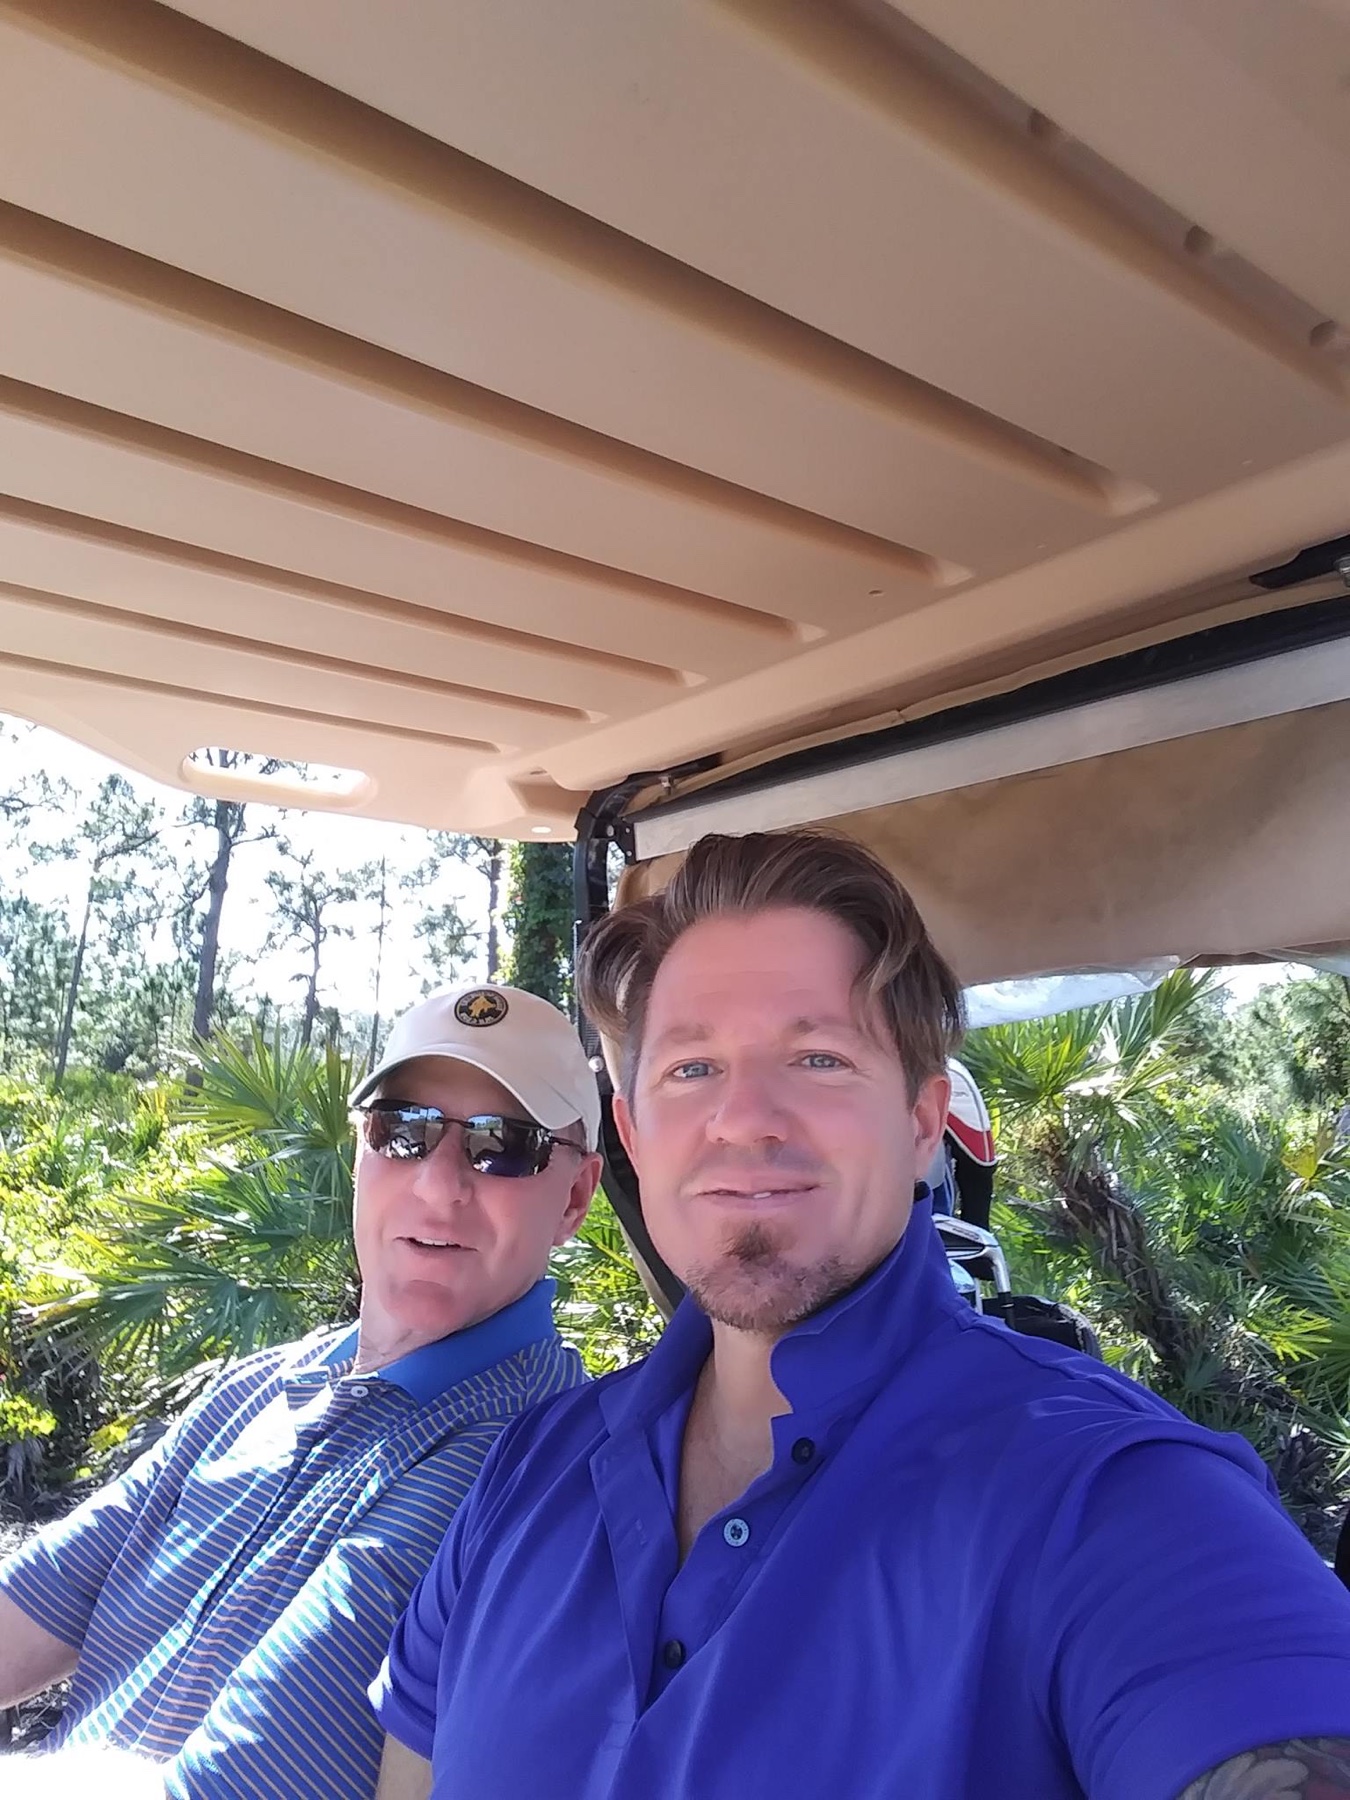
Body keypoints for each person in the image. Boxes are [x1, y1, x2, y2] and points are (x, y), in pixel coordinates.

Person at [370, 832, 1350, 1800]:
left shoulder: (1108, 1496)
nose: (744, 1117)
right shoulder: (527, 1473)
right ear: (633, 1131)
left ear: (922, 1121)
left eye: (818, 1058)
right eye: (692, 1069)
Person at [0, 981, 602, 1799]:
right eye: (404, 1130)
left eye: (504, 1146)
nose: (438, 1185)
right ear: (362, 1150)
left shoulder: (528, 1466)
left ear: (574, 1196)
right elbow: (26, 1608)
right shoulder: (260, 1388)